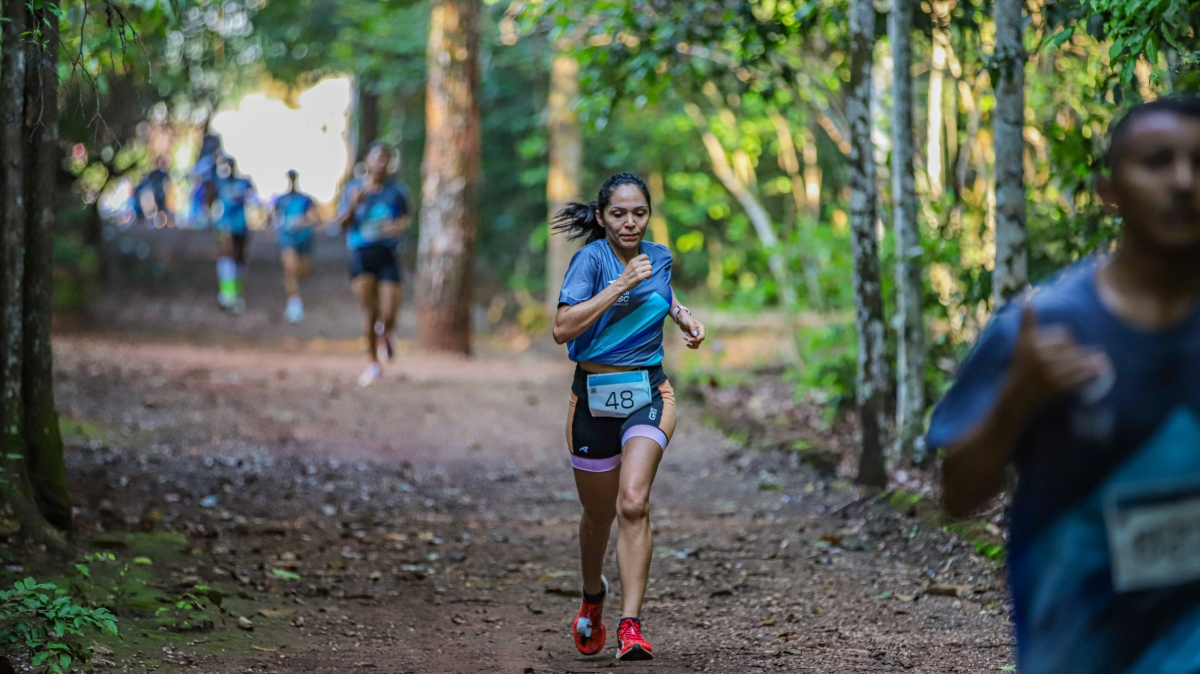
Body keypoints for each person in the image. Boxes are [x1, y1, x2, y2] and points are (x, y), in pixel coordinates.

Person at [930, 98, 1200, 674]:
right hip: (1080, 649)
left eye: (1199, 164)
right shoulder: (1043, 326)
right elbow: (958, 495)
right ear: (1110, 191)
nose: (1183, 182)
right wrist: (1016, 401)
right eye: (1157, 162)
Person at [551, 173, 706, 661]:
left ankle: (631, 625)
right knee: (598, 515)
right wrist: (620, 283)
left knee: (633, 503)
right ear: (601, 217)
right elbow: (562, 328)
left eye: (639, 212)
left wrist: (682, 315)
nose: (630, 222)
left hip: (649, 393)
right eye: (618, 213)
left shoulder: (658, 256)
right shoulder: (589, 261)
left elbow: (661, 291)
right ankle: (592, 595)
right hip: (592, 399)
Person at [336, 143, 412, 387]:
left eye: (385, 159)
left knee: (389, 314)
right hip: (362, 255)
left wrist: (398, 226)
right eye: (377, 158)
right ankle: (372, 363)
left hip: (387, 254)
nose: (381, 163)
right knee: (370, 312)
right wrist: (353, 204)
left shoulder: (397, 191)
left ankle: (386, 334)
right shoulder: (353, 189)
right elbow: (341, 224)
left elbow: (406, 219)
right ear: (367, 160)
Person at [271, 170, 319, 323]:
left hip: (304, 239)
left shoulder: (305, 199)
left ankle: (298, 296)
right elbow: (274, 218)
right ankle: (294, 304)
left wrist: (302, 221)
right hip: (287, 239)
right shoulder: (280, 200)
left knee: (303, 272)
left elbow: (314, 217)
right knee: (290, 270)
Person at [213, 157, 257, 314]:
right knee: (226, 254)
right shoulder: (219, 181)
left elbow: (253, 198)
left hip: (241, 225)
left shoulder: (244, 182)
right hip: (225, 224)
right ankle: (227, 294)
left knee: (240, 260)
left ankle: (236, 295)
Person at [132, 157, 172, 227]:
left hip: (159, 195)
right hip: (157, 194)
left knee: (161, 209)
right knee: (156, 209)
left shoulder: (160, 173)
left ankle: (162, 223)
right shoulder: (155, 174)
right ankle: (157, 223)